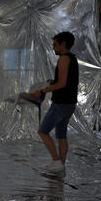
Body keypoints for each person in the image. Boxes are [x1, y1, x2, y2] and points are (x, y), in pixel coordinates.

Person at [31, 32, 79, 173]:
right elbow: (68, 81)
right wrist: (54, 82)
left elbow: (63, 84)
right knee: (61, 135)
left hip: (61, 103)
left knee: (43, 132)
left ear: (63, 44)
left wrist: (43, 91)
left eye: (55, 45)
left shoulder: (64, 58)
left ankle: (57, 162)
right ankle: (61, 166)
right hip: (70, 103)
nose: (53, 48)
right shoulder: (72, 58)